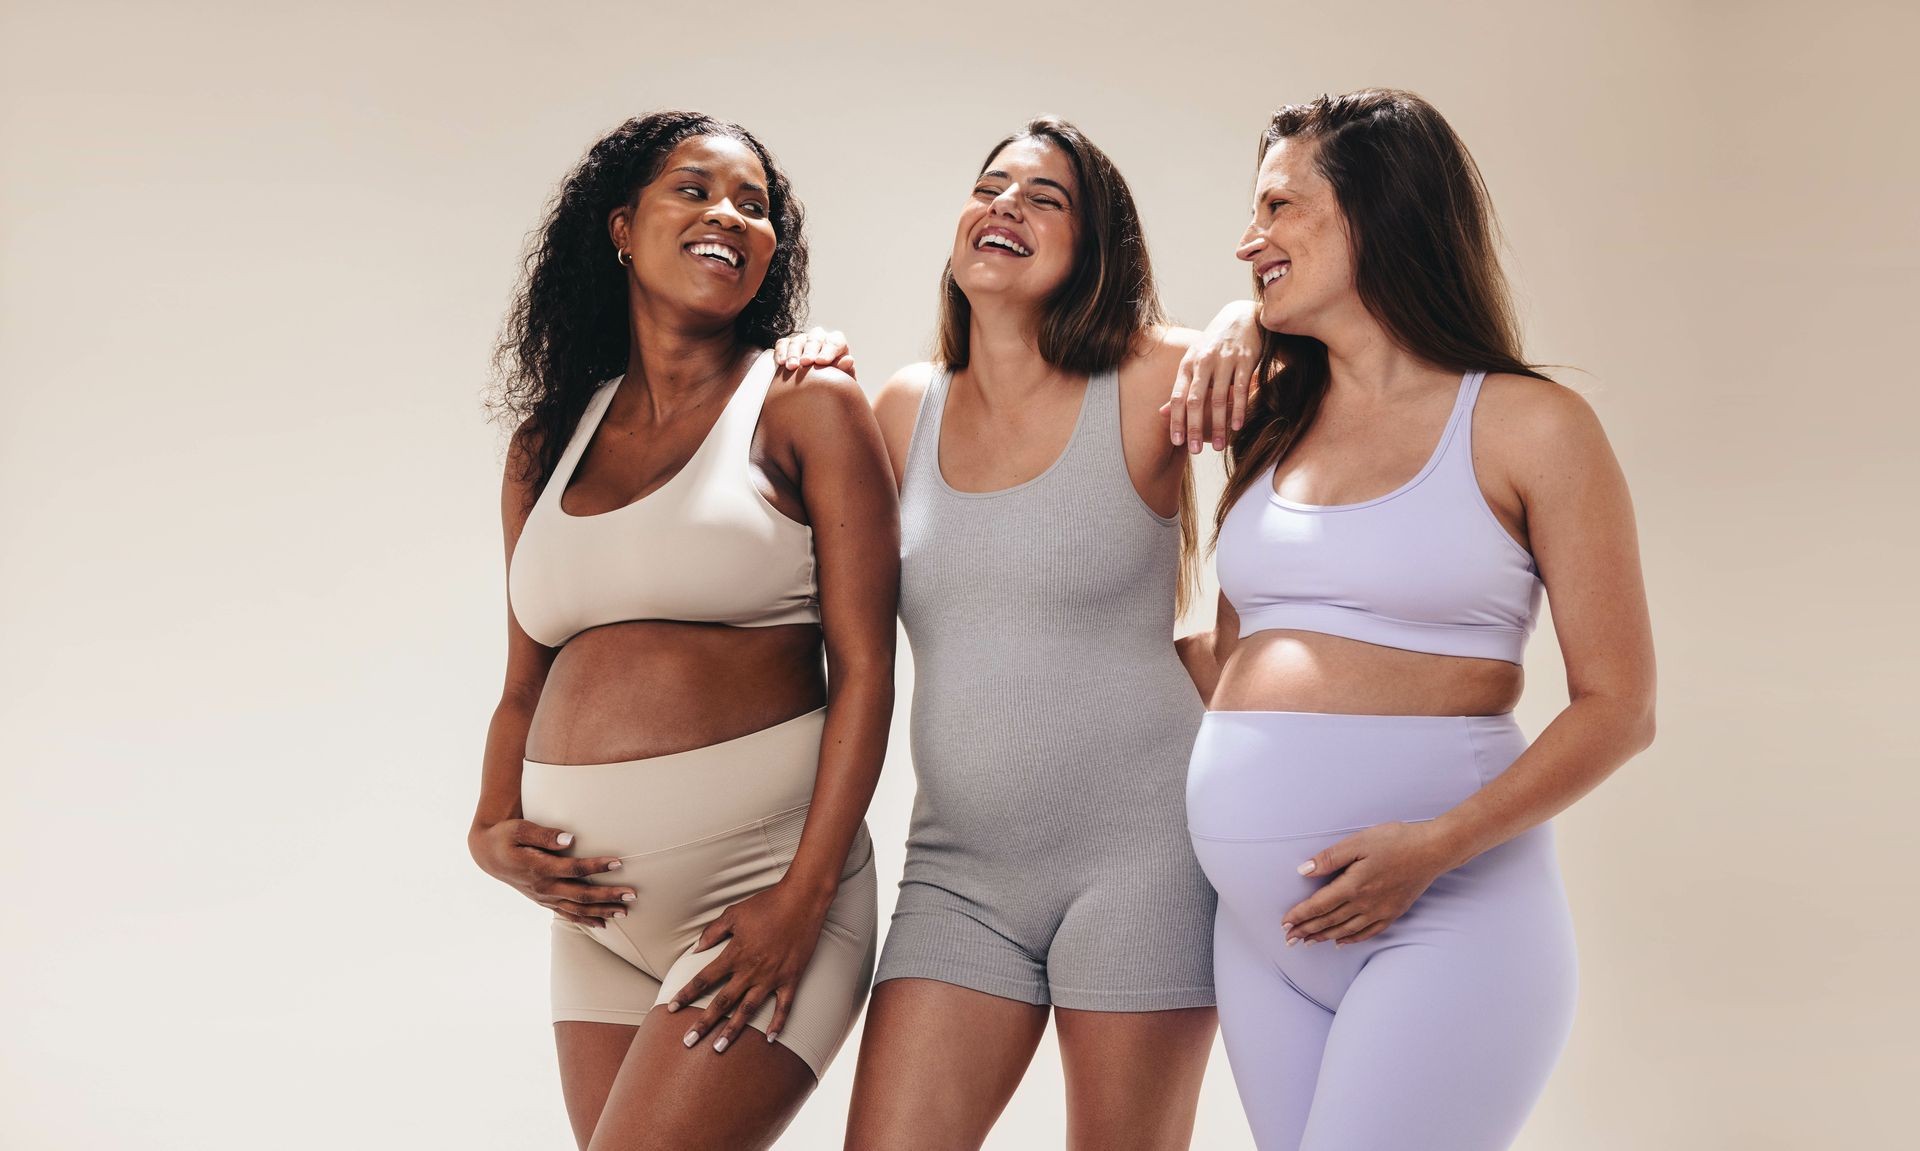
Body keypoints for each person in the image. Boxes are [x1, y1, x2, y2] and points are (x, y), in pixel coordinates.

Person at [1179, 89, 1657, 1150]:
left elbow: (1619, 707)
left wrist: (1434, 846)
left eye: (1278, 207)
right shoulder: (1273, 418)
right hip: (1263, 936)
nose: (1247, 240)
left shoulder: (1531, 425)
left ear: (1375, 214)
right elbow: (1231, 652)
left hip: (1445, 915)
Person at [468, 110, 898, 1151]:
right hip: (595, 929)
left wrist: (801, 897)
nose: (730, 217)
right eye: (695, 189)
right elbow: (526, 681)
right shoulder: (545, 444)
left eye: (755, 206)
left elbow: (871, 668)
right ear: (621, 225)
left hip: (765, 896)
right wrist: (488, 827)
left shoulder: (806, 403)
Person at [835, 116, 1257, 1151]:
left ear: (1093, 249)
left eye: (1045, 197)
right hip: (957, 869)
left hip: (1146, 855)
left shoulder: (1159, 376)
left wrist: (1250, 315)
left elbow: (1333, 430)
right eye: (991, 186)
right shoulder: (900, 407)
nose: (1006, 207)